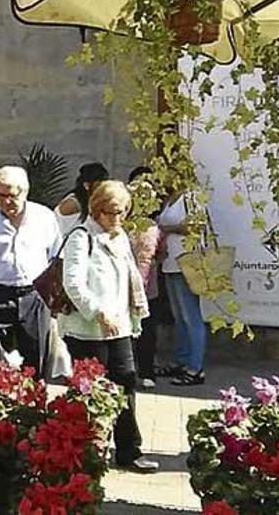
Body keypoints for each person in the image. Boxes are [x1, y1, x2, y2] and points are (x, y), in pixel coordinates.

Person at [58, 180, 157, 472]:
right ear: (97, 209)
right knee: (91, 393)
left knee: (126, 383)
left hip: (121, 327)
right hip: (88, 330)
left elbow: (128, 281)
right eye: (112, 212)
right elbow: (72, 283)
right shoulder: (80, 237)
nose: (118, 218)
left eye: (123, 212)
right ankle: (85, 452)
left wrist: (132, 317)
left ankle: (128, 451)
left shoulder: (120, 237)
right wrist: (98, 313)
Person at [0, 165, 61, 377]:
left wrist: (52, 298)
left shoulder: (44, 218)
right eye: (0, 195)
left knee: (36, 359)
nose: (5, 201)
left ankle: (34, 405)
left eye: (11, 195)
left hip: (34, 295)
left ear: (25, 192)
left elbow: (56, 257)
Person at [157, 188, 208, 386]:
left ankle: (196, 368)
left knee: (191, 316)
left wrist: (166, 229)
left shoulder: (192, 196)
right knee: (179, 316)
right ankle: (181, 361)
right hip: (170, 262)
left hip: (187, 262)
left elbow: (196, 226)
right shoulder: (171, 198)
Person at [127, 167, 165, 389]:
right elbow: (161, 253)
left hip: (127, 286)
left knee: (130, 330)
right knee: (147, 330)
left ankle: (131, 370)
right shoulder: (153, 227)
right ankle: (147, 372)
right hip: (148, 285)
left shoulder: (122, 226)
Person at [56, 162, 110, 232]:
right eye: (99, 186)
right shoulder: (72, 203)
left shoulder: (94, 201)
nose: (103, 189)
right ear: (86, 185)